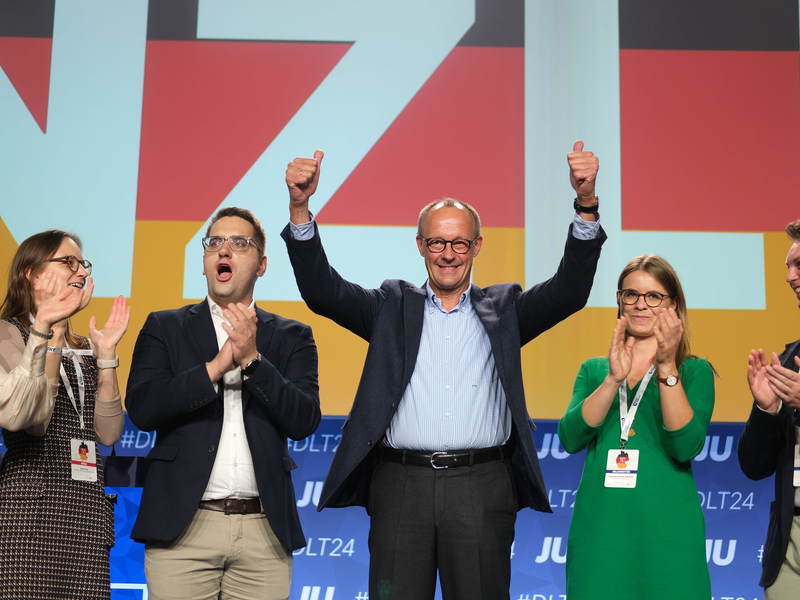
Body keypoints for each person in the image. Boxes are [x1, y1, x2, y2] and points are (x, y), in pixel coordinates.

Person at [282, 142, 606, 600]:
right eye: (437, 242)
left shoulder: (506, 309)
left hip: (482, 486)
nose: (448, 254)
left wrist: (585, 204)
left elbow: (569, 291)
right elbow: (323, 291)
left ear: (477, 246)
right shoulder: (389, 306)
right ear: (420, 245)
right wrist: (300, 209)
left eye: (459, 243)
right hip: (401, 487)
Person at [126, 207, 321, 600]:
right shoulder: (165, 326)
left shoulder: (292, 336)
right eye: (214, 242)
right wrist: (214, 368)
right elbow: (143, 408)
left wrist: (252, 360)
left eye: (239, 243)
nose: (224, 250)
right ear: (204, 262)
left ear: (261, 264)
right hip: (183, 531)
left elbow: (303, 419)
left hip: (263, 533)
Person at [558, 254, 715, 599]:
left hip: (668, 534)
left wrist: (666, 366)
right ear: (619, 299)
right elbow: (570, 438)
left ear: (673, 304)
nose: (641, 304)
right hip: (600, 533)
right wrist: (613, 379)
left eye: (654, 296)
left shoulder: (694, 372)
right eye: (631, 294)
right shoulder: (594, 370)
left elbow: (685, 447)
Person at [0, 229, 129, 599]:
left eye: (83, 264)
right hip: (31, 513)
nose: (81, 272)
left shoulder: (84, 345)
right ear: (32, 273)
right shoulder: (8, 334)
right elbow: (34, 422)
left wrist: (106, 357)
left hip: (85, 512)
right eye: (68, 262)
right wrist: (52, 332)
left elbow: (108, 434)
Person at [738, 218, 800, 599]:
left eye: (799, 265)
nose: (790, 277)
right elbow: (753, 466)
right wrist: (766, 411)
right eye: (788, 267)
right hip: (789, 545)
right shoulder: (788, 360)